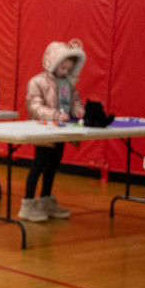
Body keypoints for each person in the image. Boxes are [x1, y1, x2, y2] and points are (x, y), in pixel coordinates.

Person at [18, 41, 86, 223]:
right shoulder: (37, 82)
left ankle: (46, 200)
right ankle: (28, 203)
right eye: (62, 67)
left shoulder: (68, 83)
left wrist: (78, 110)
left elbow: (74, 101)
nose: (64, 71)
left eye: (67, 68)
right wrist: (55, 114)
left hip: (61, 131)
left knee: (53, 166)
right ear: (52, 63)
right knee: (38, 165)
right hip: (44, 131)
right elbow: (34, 105)